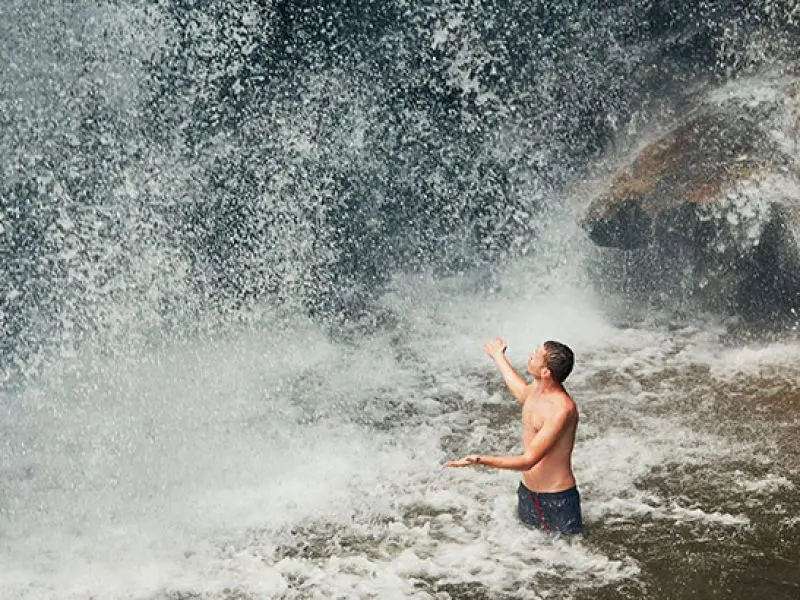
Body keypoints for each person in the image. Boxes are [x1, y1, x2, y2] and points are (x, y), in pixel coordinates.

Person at [445, 338, 582, 535]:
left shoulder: (561, 410)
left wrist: (479, 460)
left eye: (536, 356)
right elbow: (521, 393)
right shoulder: (538, 388)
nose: (530, 356)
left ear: (546, 372)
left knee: (564, 559)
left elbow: (528, 461)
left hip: (557, 499)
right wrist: (498, 356)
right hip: (528, 493)